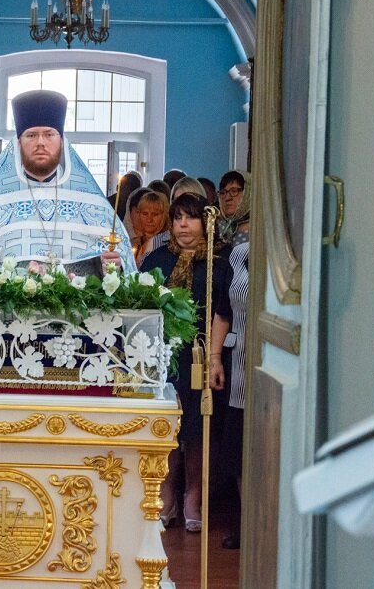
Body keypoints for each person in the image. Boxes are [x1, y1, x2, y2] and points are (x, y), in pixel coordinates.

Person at [0, 90, 134, 274]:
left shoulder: (93, 205)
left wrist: (114, 268)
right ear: (18, 143)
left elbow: (121, 271)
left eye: (49, 134)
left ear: (62, 141)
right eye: (31, 135)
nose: (40, 142)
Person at [140, 193, 231, 532]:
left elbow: (223, 312)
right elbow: (141, 306)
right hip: (163, 355)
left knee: (197, 430)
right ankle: (167, 494)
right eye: (177, 218)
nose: (183, 225)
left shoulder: (218, 262)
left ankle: (193, 496)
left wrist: (215, 358)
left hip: (200, 355)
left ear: (205, 223)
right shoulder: (157, 260)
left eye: (190, 218)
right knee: (166, 426)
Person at [210, 170, 251, 549]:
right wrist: (214, 359)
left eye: (237, 192)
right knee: (237, 448)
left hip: (268, 357)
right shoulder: (236, 252)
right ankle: (245, 522)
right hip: (238, 363)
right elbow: (223, 309)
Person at [129, 191, 170, 267]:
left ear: (164, 215)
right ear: (139, 214)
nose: (149, 219)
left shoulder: (169, 245)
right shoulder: (131, 244)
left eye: (155, 214)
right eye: (145, 214)